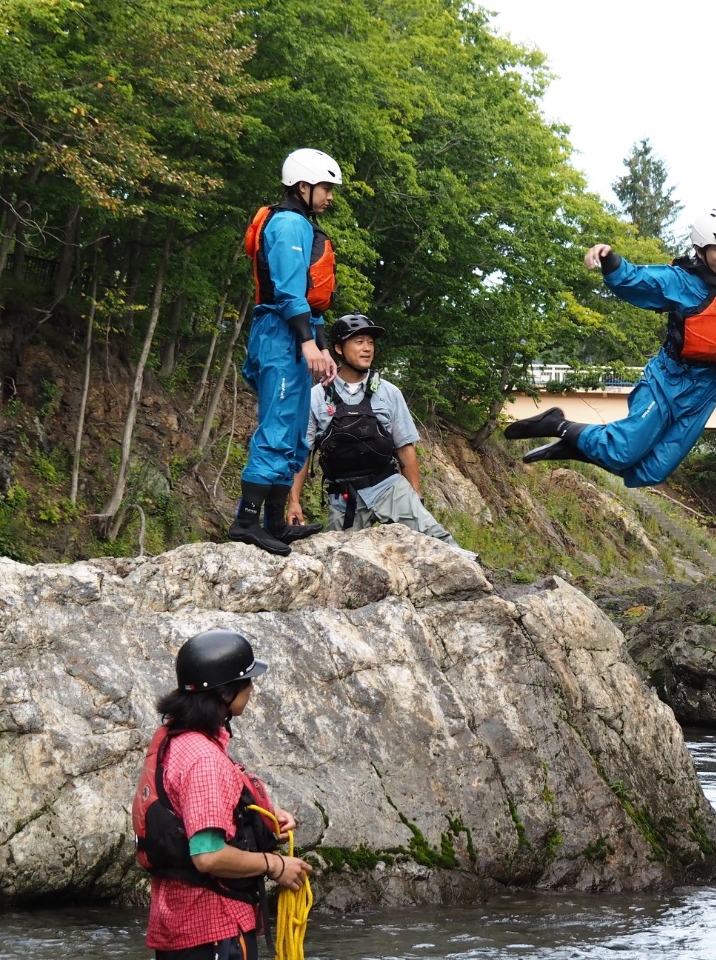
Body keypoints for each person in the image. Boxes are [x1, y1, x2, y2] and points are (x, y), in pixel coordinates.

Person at [504, 209, 716, 487]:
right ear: (699, 249)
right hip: (670, 379)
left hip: (708, 389)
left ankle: (576, 446)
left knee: (651, 472)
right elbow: (636, 279)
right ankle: (557, 423)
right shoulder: (679, 279)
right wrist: (608, 258)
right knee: (623, 450)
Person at [132, 628, 311, 960]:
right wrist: (275, 865)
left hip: (180, 927)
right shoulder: (204, 759)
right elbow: (208, 856)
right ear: (224, 693)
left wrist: (259, 819)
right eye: (247, 682)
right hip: (215, 931)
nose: (252, 688)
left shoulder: (179, 739)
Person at [233, 148, 342, 556]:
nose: (330, 196)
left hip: (297, 334)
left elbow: (309, 301)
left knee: (295, 431)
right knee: (277, 428)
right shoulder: (287, 225)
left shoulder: (302, 224)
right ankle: (246, 521)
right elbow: (287, 293)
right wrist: (306, 341)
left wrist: (322, 346)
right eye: (326, 188)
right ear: (303, 185)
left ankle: (275, 523)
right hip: (280, 336)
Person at [287, 313, 468, 550]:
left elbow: (405, 448)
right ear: (339, 349)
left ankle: (476, 575)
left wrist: (416, 498)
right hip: (345, 497)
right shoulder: (316, 397)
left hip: (388, 487)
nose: (367, 349)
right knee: (339, 558)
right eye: (359, 342)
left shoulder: (389, 392)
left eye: (370, 342)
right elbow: (303, 453)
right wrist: (294, 502)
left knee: (436, 541)